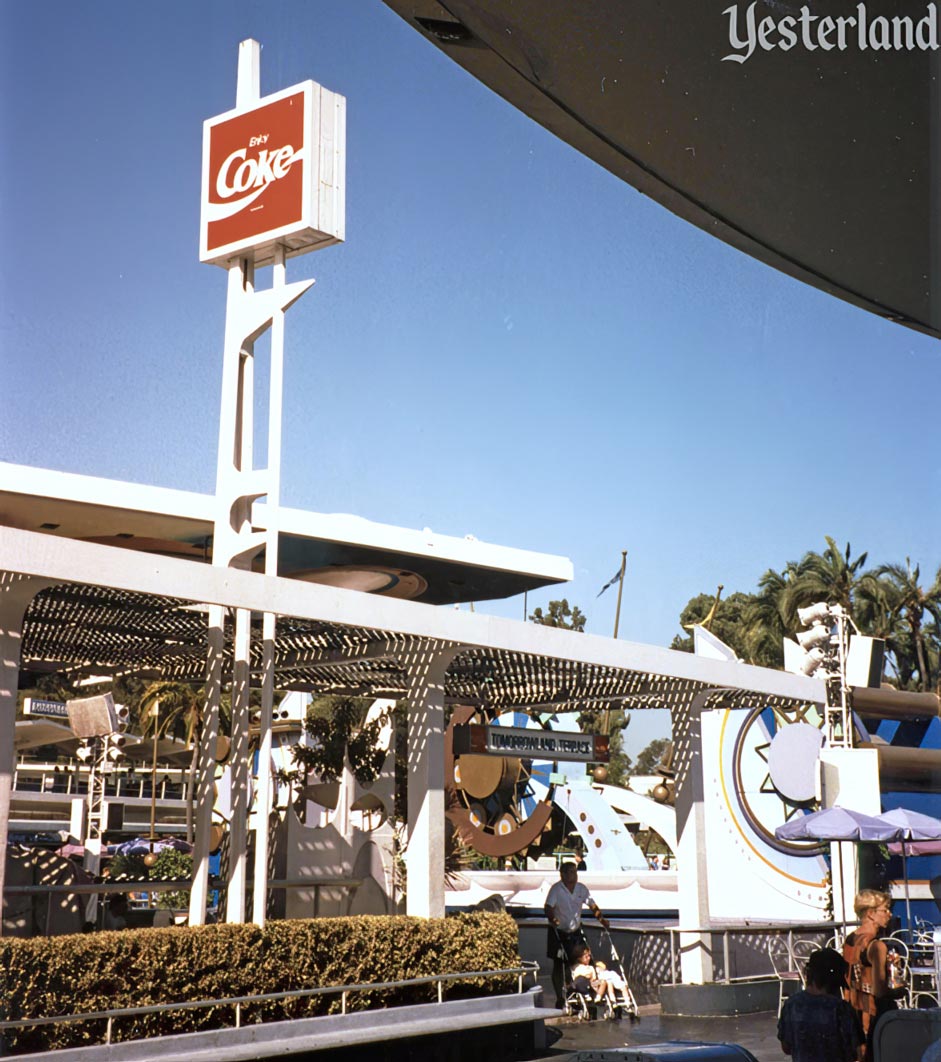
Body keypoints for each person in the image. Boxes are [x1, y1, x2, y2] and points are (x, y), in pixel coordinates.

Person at [843, 889, 906, 1060]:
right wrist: (900, 988)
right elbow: (879, 991)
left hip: (852, 1012)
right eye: (885, 909)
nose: (889, 914)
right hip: (873, 1016)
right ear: (871, 913)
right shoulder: (877, 946)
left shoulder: (850, 939)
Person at [777, 947, 862, 1062]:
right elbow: (856, 1053)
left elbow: (786, 1047)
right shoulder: (842, 1010)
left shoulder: (791, 1005)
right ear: (834, 981)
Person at [544, 861, 609, 1009]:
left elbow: (592, 905)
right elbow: (548, 907)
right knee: (559, 964)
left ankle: (580, 990)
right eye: (571, 872)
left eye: (575, 872)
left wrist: (602, 919)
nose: (575, 875)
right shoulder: (556, 889)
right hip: (558, 931)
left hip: (575, 930)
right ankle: (560, 997)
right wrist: (553, 918)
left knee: (580, 961)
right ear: (563, 874)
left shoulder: (581, 888)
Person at [570, 943, 631, 1016]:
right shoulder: (576, 967)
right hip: (584, 984)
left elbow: (594, 977)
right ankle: (599, 997)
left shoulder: (591, 967)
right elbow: (577, 976)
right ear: (579, 958)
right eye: (586, 957)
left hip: (592, 983)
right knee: (602, 981)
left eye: (589, 956)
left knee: (603, 981)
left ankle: (598, 998)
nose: (589, 958)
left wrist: (594, 977)